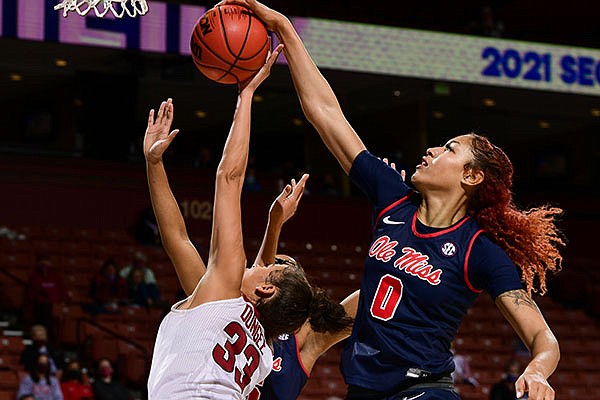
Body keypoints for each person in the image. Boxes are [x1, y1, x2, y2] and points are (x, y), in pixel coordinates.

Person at [219, 2, 564, 399]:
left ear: (471, 176)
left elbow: (542, 336)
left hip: (423, 390)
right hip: (364, 390)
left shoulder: (477, 252)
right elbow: (326, 114)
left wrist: (538, 370)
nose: (433, 149)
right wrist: (285, 28)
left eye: (449, 149)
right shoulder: (393, 200)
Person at [144, 45, 328, 399]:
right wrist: (155, 165)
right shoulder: (262, 348)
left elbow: (229, 178)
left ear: (265, 290)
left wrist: (246, 95)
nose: (261, 263)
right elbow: (178, 240)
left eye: (269, 268)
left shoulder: (224, 291)